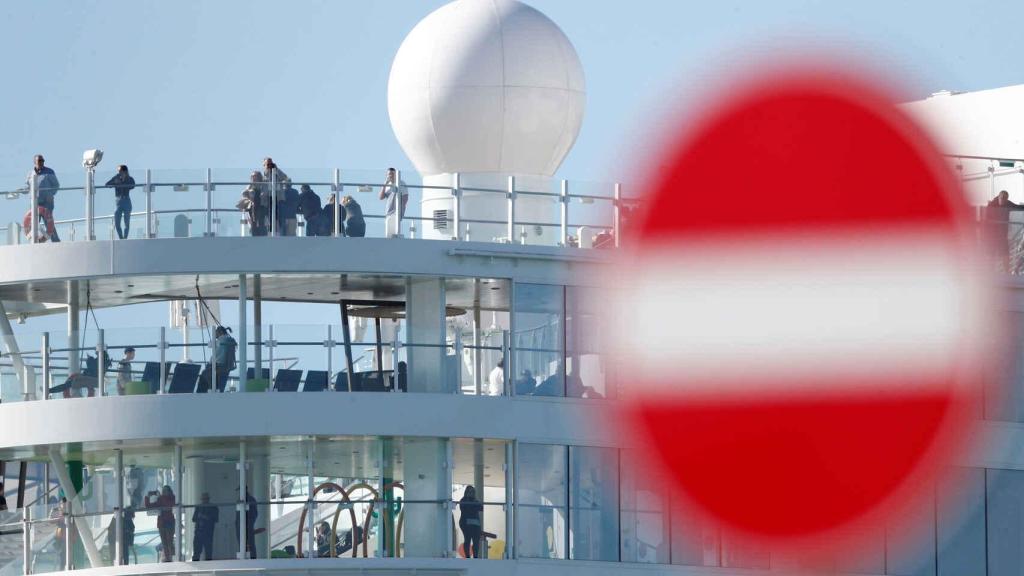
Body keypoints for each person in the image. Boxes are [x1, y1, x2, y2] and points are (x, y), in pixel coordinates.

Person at [986, 190, 1024, 271]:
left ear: (1007, 199)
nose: (1003, 200)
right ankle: (990, 272)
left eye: (1005, 199)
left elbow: (1017, 207)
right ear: (998, 197)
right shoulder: (992, 204)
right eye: (1001, 198)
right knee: (992, 254)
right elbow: (986, 218)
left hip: (1003, 235)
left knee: (1005, 254)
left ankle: (1006, 272)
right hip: (993, 236)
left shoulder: (1007, 203)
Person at [26, 154, 61, 242]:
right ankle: (35, 241)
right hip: (35, 202)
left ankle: (56, 241)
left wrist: (51, 195)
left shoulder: (49, 172)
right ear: (35, 162)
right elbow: (28, 186)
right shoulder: (30, 174)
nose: (42, 162)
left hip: (46, 202)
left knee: (48, 222)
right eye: (39, 161)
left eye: (43, 161)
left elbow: (56, 185)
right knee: (34, 223)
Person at [144, 485, 176, 562]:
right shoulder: (160, 499)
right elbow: (149, 506)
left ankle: (172, 557)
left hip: (169, 522)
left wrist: (160, 497)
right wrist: (147, 497)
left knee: (169, 541)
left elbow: (168, 505)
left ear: (169, 491)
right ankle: (168, 558)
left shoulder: (172, 498)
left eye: (165, 491)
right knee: (164, 542)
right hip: (162, 523)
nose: (164, 492)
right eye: (163, 491)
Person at [106, 165, 136, 239]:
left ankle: (125, 238)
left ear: (125, 171)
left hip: (126, 201)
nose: (119, 172)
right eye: (118, 171)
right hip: (118, 202)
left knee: (126, 222)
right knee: (117, 222)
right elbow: (107, 184)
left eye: (120, 171)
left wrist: (124, 181)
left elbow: (133, 185)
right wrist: (115, 182)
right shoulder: (116, 178)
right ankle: (121, 237)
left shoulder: (130, 179)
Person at [379, 168, 408, 237]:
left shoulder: (401, 183)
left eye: (392, 174)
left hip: (397, 211)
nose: (391, 176)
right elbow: (381, 197)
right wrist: (384, 184)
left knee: (396, 229)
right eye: (389, 174)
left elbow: (405, 198)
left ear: (395, 175)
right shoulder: (387, 185)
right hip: (389, 211)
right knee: (389, 231)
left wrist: (401, 209)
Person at [238, 172, 268, 236]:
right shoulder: (250, 185)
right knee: (253, 221)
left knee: (261, 221)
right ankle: (254, 234)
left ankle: (262, 234)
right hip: (253, 206)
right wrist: (249, 194)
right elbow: (244, 193)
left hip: (261, 205)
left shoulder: (263, 185)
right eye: (252, 176)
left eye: (255, 176)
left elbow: (265, 192)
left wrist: (262, 194)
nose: (253, 178)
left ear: (259, 177)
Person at [191, 493, 219, 561]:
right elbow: (194, 518)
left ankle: (209, 565)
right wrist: (199, 517)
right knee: (197, 550)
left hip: (208, 532)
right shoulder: (198, 507)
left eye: (205, 499)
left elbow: (216, 519)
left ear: (208, 499)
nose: (204, 500)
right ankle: (196, 564)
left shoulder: (213, 507)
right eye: (203, 499)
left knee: (208, 550)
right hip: (198, 531)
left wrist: (205, 517)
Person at [458, 485, 483, 558]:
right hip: (466, 524)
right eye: (470, 492)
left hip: (475, 524)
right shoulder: (463, 500)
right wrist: (473, 505)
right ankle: (467, 556)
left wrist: (473, 506)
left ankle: (475, 556)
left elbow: (481, 508)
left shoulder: (475, 501)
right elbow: (465, 509)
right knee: (467, 539)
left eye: (473, 492)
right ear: (466, 492)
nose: (472, 493)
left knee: (476, 542)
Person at [235, 488, 258, 559]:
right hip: (240, 525)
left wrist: (249, 523)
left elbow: (254, 514)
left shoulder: (251, 499)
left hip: (247, 525)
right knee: (242, 543)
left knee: (250, 542)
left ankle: (253, 558)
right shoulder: (240, 499)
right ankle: (243, 558)